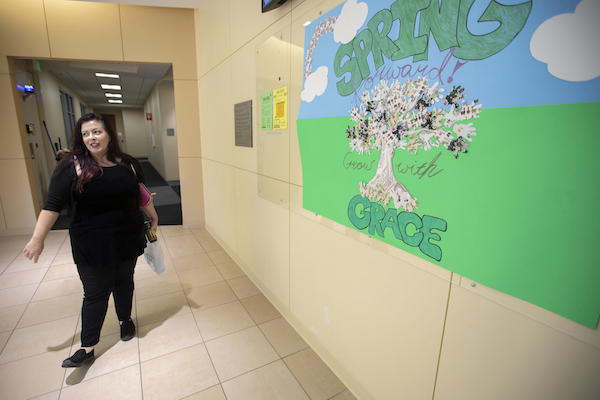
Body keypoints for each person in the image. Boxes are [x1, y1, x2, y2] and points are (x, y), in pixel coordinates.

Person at [23, 113, 158, 368]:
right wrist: (37, 239)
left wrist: (153, 217)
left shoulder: (127, 163)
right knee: (95, 292)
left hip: (127, 236)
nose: (91, 138)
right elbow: (52, 205)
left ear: (109, 134)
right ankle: (87, 347)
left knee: (124, 280)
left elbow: (139, 194)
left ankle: (125, 320)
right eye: (85, 134)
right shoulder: (70, 166)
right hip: (91, 243)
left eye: (96, 132)